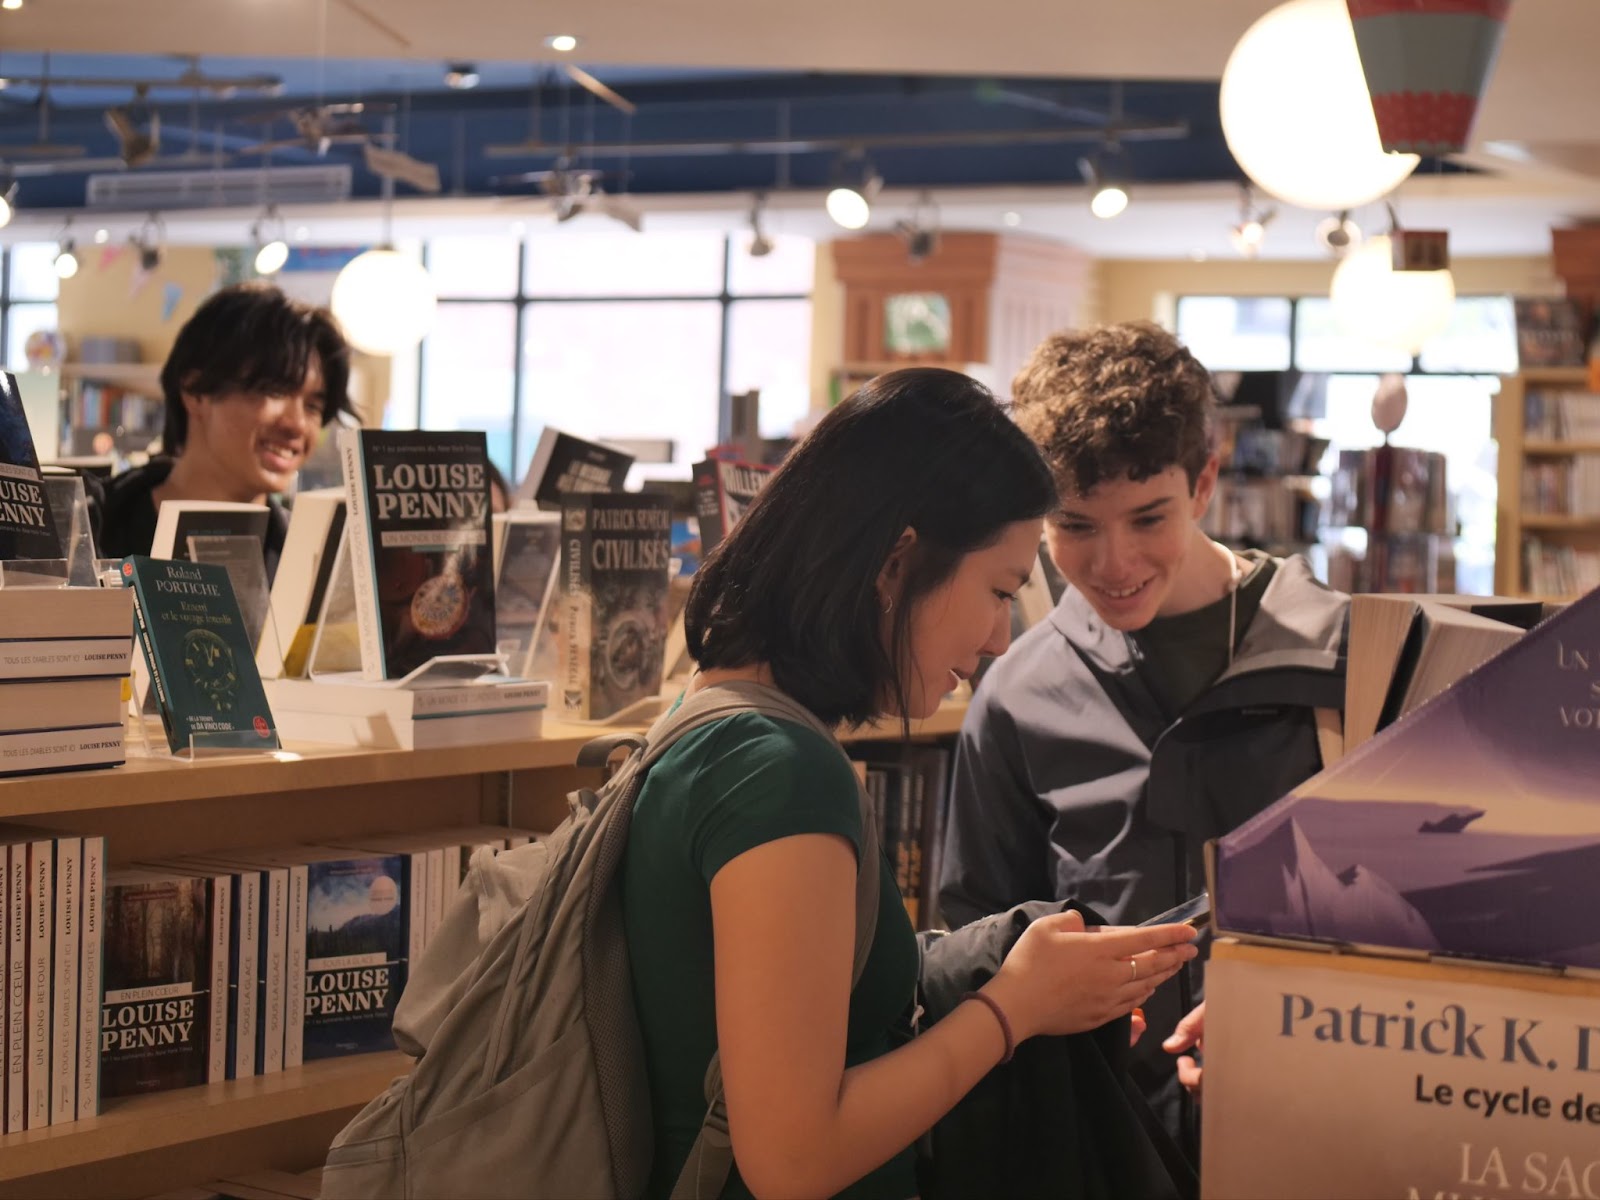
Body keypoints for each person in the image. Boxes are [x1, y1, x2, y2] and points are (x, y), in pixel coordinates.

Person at [622, 366, 1200, 1200]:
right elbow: (794, 1159)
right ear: (897, 565)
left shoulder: (718, 716)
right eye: (998, 590)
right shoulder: (782, 774)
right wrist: (1014, 1010)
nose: (1003, 637)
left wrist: (1010, 973)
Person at [937, 322, 1349, 1137]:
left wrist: (1288, 1006)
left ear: (1205, 484)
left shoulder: (1346, 662)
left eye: (1148, 518)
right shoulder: (1017, 695)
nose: (1114, 565)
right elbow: (973, 943)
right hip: (1099, 1139)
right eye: (1077, 527)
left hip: (1314, 1123)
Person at [93, 283, 352, 580]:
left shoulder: (313, 561)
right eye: (273, 391)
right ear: (195, 391)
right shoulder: (92, 530)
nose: (296, 424)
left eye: (313, 406)